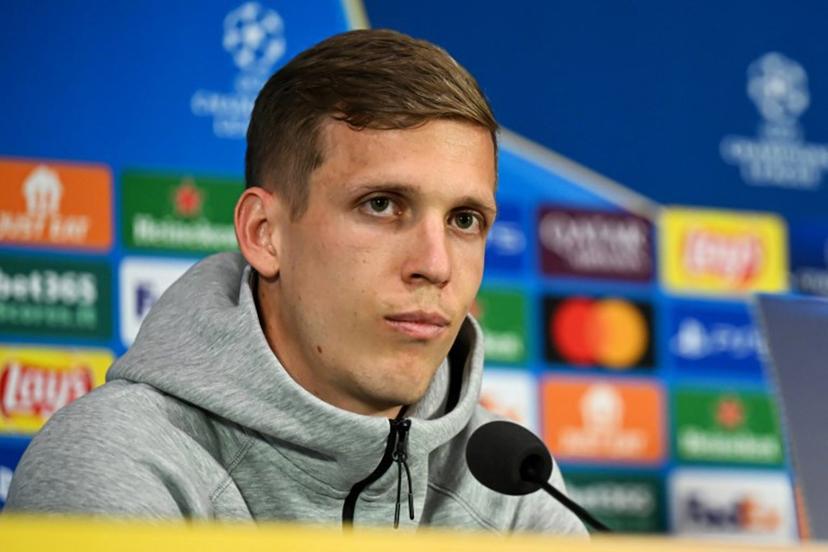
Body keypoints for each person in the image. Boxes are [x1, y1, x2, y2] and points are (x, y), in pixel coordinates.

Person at [6, 29, 586, 535]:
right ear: (264, 234)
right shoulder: (120, 461)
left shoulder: (514, 488)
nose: (435, 265)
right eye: (382, 205)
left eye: (464, 220)